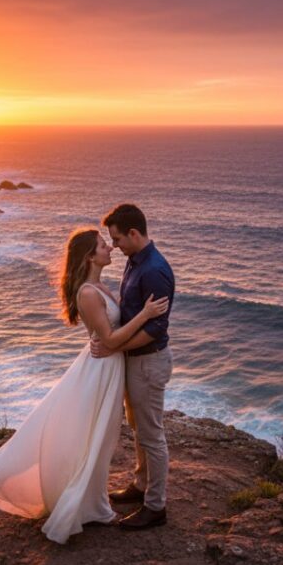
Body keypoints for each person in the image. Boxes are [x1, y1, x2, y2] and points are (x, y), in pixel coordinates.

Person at [0, 227, 169, 544]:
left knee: (102, 437)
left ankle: (93, 500)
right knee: (95, 436)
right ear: (90, 256)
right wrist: (145, 314)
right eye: (103, 245)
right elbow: (109, 339)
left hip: (110, 367)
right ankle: (81, 503)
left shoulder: (99, 286)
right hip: (100, 370)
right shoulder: (88, 293)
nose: (110, 248)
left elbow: (110, 337)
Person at [92, 203, 175, 530]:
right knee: (139, 429)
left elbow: (155, 328)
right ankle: (141, 486)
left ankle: (156, 507)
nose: (114, 246)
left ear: (134, 233)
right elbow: (130, 310)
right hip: (134, 360)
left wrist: (114, 345)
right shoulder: (135, 260)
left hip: (148, 362)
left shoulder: (153, 270)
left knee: (151, 435)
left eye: (117, 239)